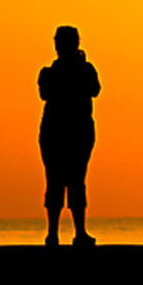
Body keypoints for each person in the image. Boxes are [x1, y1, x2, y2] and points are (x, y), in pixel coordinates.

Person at [39, 26, 102, 248]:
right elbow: (94, 89)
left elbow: (95, 89)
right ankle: (65, 233)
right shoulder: (76, 70)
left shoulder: (69, 71)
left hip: (66, 132)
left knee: (64, 181)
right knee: (69, 181)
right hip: (67, 132)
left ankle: (60, 234)